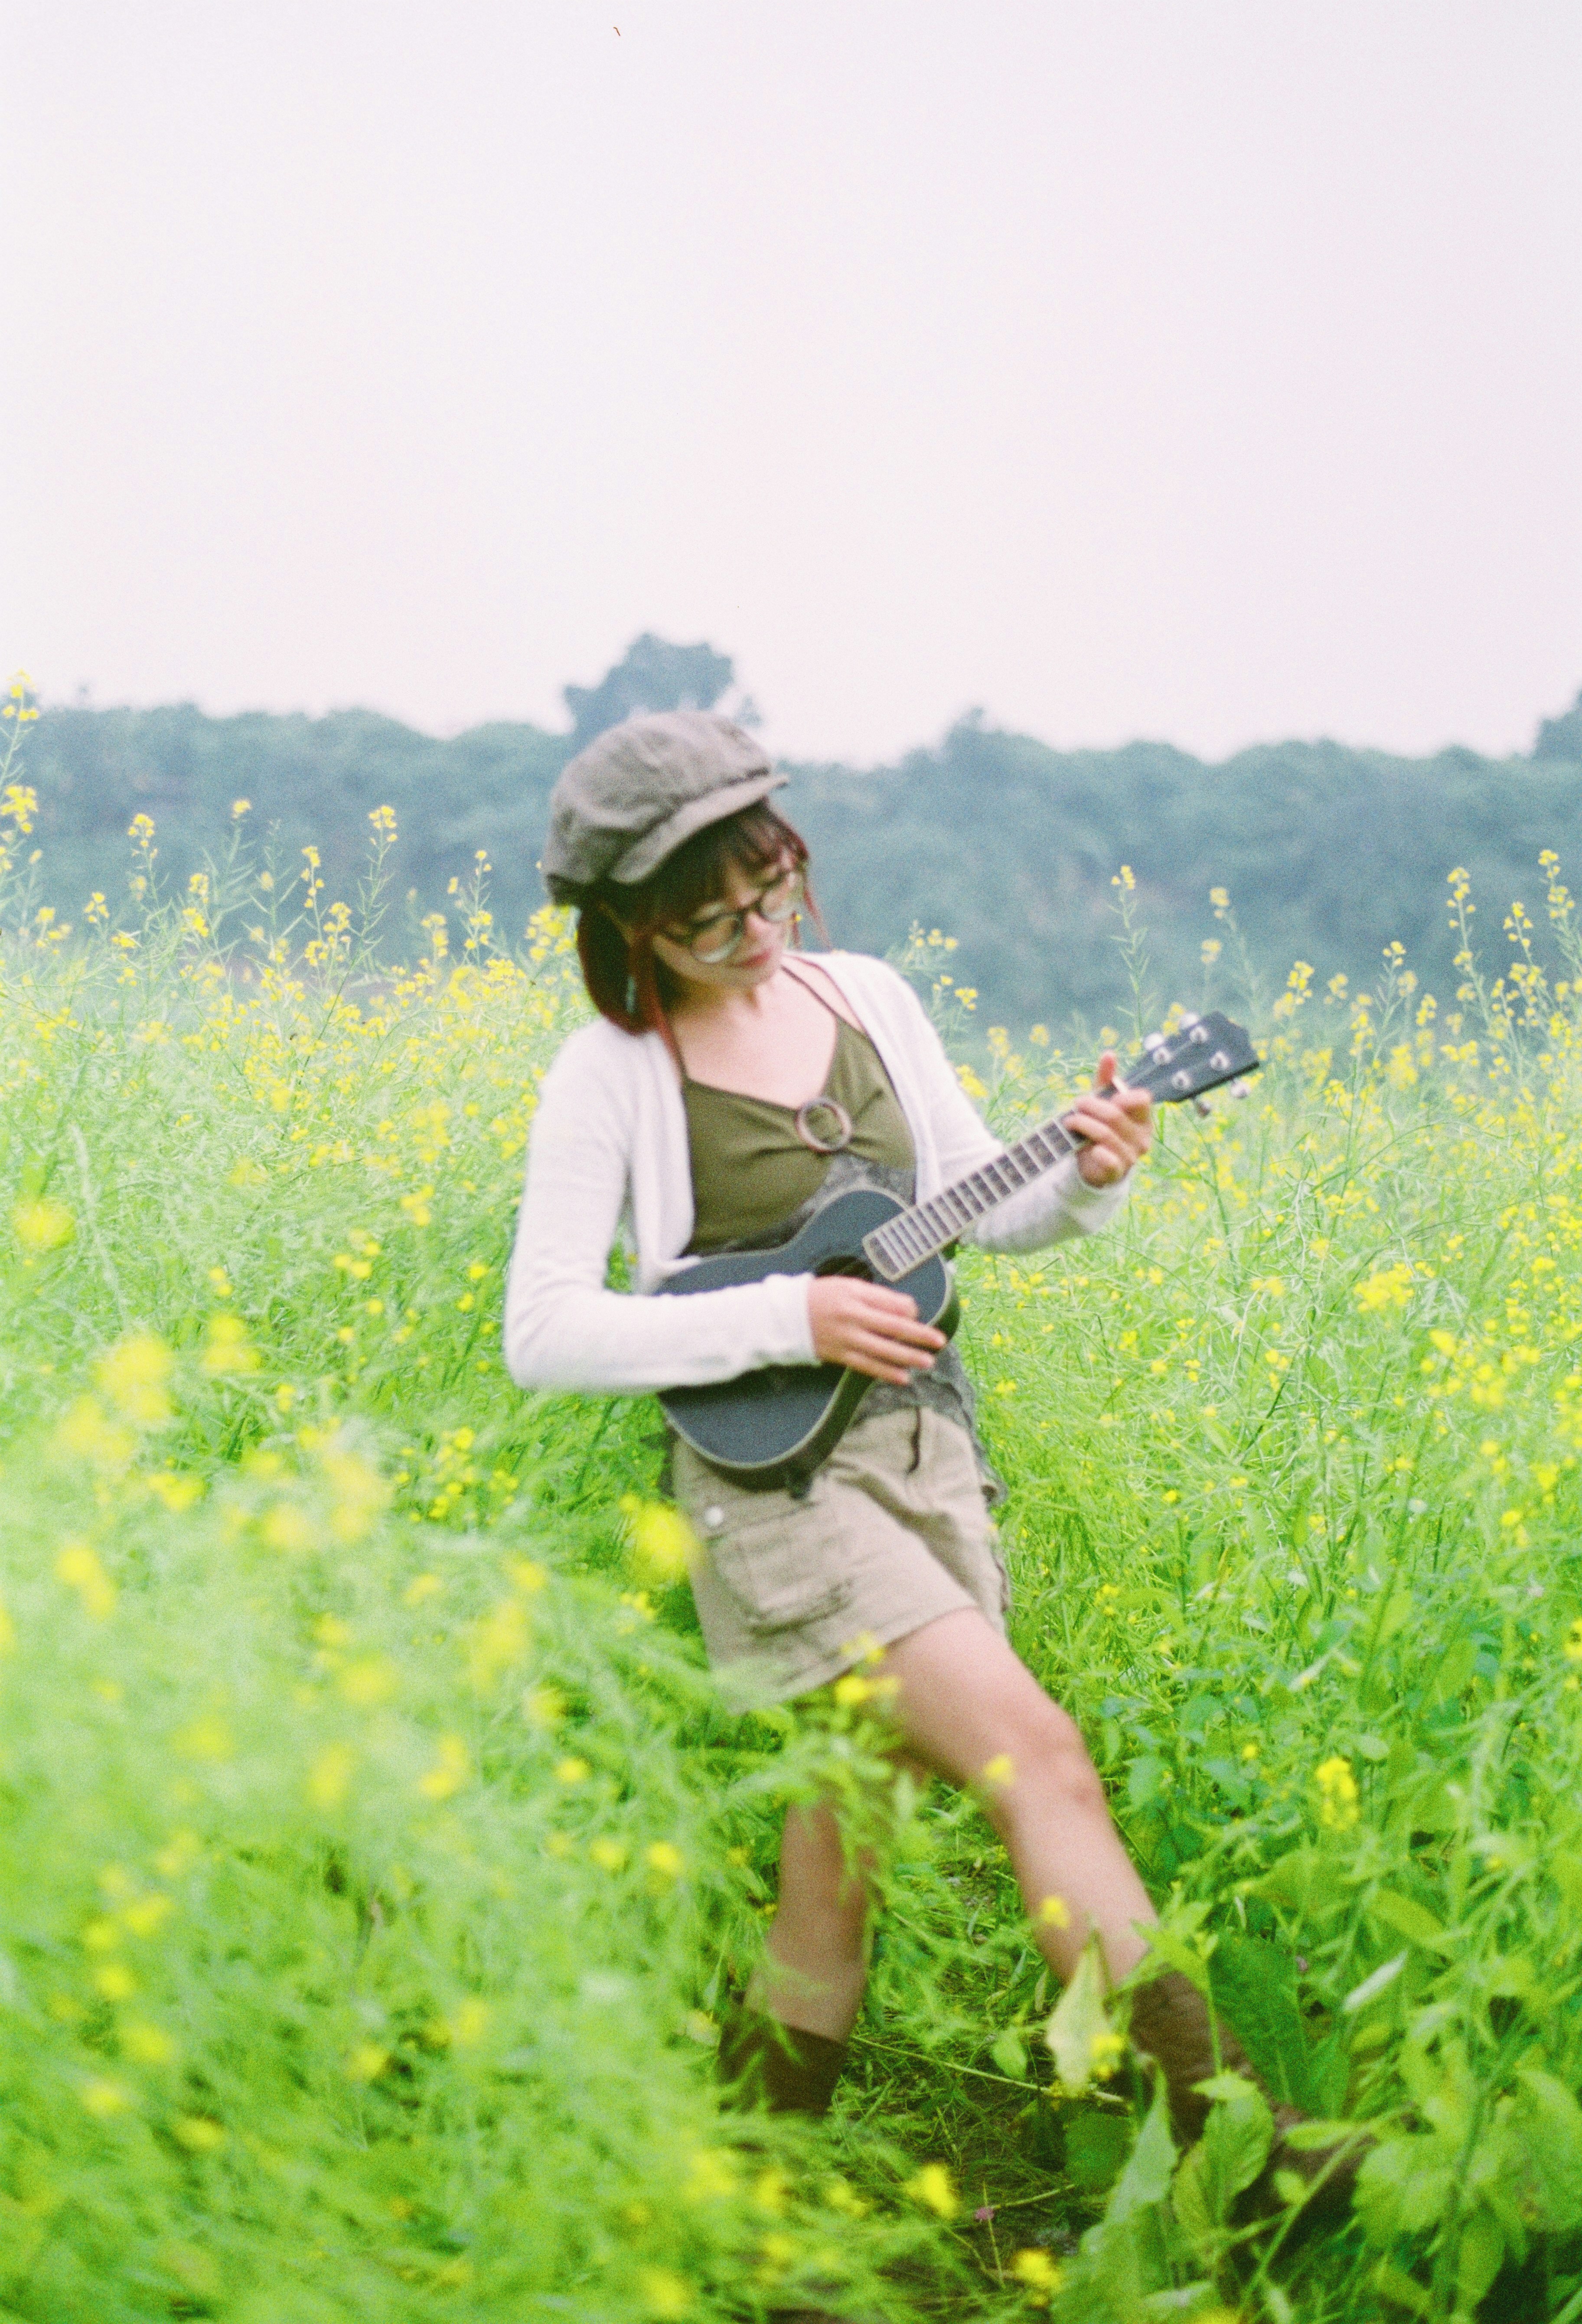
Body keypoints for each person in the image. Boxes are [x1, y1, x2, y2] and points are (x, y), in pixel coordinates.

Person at [504, 711, 1354, 2201]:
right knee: (1044, 1764)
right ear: (630, 926)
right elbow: (548, 1330)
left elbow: (983, 1208)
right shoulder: (608, 1071)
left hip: (923, 1455)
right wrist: (793, 1310)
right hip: (778, 1493)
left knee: (836, 1874)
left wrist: (1088, 1177)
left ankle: (747, 2233)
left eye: (772, 896)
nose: (756, 937)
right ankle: (1240, 2149)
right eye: (709, 926)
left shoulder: (869, 997)